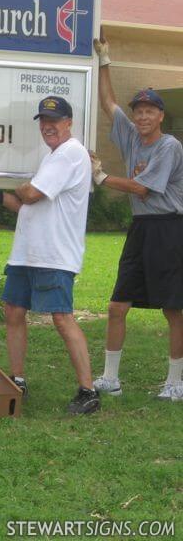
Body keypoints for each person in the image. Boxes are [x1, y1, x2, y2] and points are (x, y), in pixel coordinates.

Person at [0, 96, 100, 415]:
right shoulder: (53, 157)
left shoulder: (70, 153)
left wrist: (17, 184)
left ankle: (88, 391)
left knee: (62, 317)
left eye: (55, 120)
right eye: (44, 121)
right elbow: (26, 206)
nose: (48, 126)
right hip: (28, 253)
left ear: (69, 122)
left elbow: (31, 194)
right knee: (13, 311)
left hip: (53, 255)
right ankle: (17, 380)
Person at [90, 37, 183, 401]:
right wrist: (106, 60)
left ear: (160, 116)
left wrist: (101, 178)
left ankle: (176, 381)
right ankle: (110, 378)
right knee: (117, 305)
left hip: (169, 228)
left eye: (149, 111)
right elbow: (109, 103)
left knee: (173, 308)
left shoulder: (169, 146)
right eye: (139, 111)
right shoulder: (130, 137)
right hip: (140, 229)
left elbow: (144, 190)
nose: (142, 116)